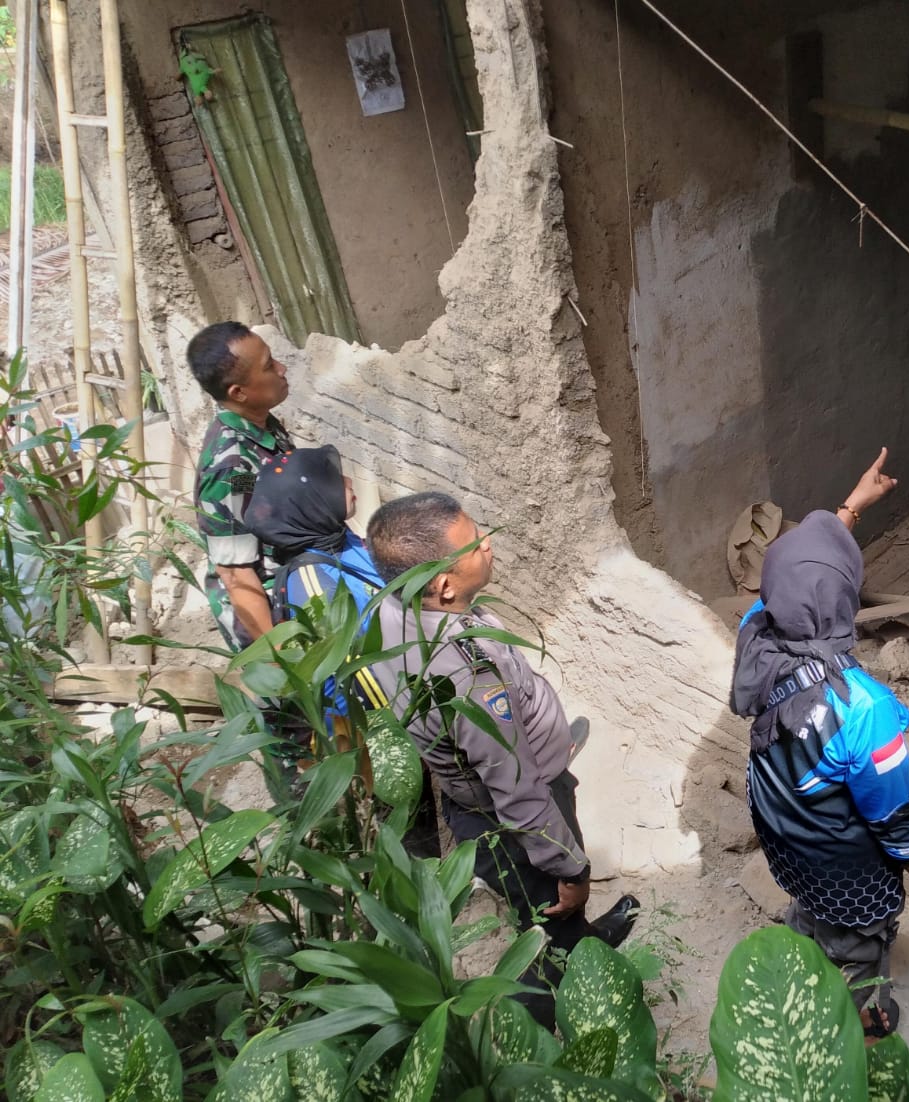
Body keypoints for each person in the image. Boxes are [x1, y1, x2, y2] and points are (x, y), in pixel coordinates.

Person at [361, 491, 637, 1026]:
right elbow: (518, 790)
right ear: (442, 585)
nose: (487, 544)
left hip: (479, 798)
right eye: (473, 544)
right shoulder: (467, 675)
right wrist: (571, 869)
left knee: (548, 917)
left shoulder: (393, 610)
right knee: (547, 921)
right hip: (511, 814)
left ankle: (583, 942)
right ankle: (543, 1031)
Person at [730, 448, 909, 1041]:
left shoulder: (758, 632)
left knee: (813, 905)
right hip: (842, 867)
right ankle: (861, 1017)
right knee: (861, 942)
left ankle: (805, 930)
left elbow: (798, 576)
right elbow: (895, 818)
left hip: (782, 831)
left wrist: (849, 509)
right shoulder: (863, 709)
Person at [188, 321, 294, 651]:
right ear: (239, 392)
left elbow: (254, 496)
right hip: (267, 617)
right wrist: (281, 663)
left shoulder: (260, 428)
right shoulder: (230, 467)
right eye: (268, 366)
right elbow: (237, 577)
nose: (281, 368)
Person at [240, 444, 383, 624]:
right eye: (332, 481)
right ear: (308, 504)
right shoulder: (319, 595)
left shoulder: (335, 535)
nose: (348, 481)